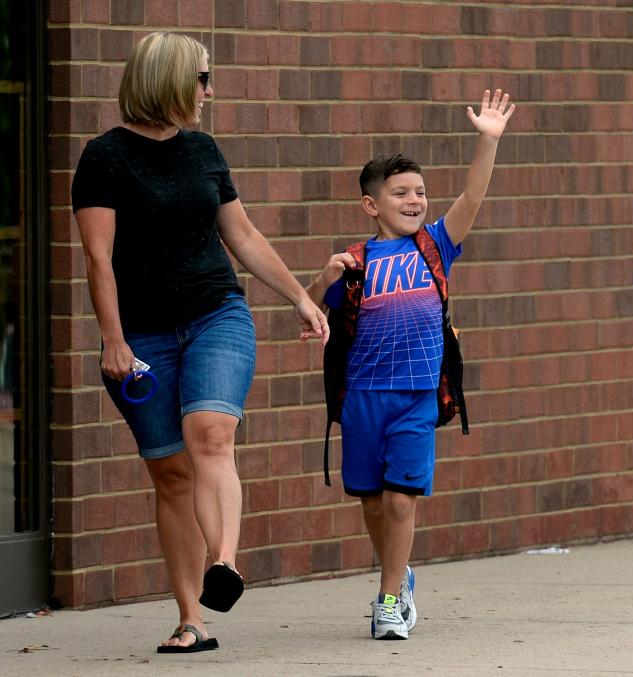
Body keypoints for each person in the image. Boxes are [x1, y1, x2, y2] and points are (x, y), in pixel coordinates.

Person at [71, 32, 329, 654]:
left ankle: (224, 564)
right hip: (142, 336)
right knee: (170, 474)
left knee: (211, 432)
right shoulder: (105, 158)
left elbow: (241, 235)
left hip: (217, 314)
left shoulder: (204, 150)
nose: (210, 91)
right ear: (168, 80)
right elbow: (98, 259)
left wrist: (298, 295)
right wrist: (113, 339)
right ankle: (193, 617)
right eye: (203, 79)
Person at [307, 89, 515, 640]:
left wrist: (486, 141)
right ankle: (399, 575)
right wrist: (325, 278)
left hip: (418, 394)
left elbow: (471, 197)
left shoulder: (436, 246)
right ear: (371, 204)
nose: (415, 199)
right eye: (400, 192)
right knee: (374, 504)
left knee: (401, 500)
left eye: (420, 191)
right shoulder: (356, 262)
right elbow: (310, 309)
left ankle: (389, 598)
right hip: (362, 397)